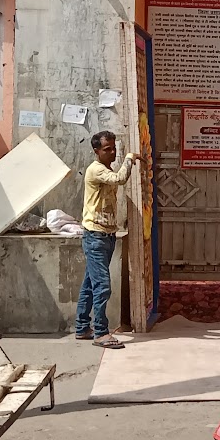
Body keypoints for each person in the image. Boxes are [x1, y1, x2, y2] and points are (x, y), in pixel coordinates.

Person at [76, 131, 141, 349]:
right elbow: (120, 179)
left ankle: (82, 327)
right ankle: (101, 333)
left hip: (105, 234)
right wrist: (129, 159)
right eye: (107, 149)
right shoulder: (96, 170)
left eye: (114, 148)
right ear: (96, 151)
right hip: (96, 235)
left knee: (90, 284)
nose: (112, 152)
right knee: (102, 285)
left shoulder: (105, 169)